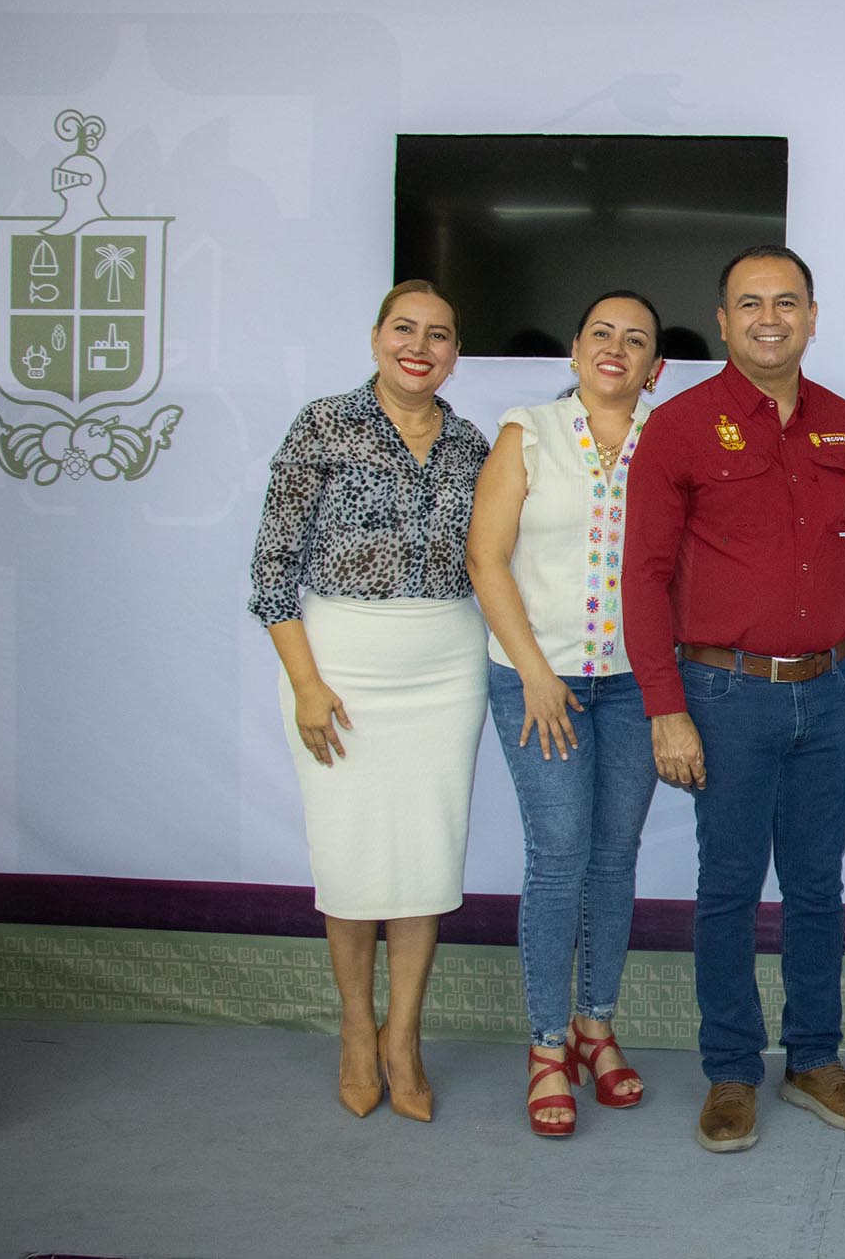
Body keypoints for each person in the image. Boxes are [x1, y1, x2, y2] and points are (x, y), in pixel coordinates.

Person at [622, 245, 845, 1153]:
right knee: (729, 888)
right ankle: (732, 1071)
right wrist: (665, 706)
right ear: (724, 321)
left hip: (831, 695)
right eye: (750, 304)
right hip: (724, 694)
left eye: (786, 302)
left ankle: (814, 1060)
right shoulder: (679, 426)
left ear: (812, 316)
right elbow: (643, 575)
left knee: (817, 888)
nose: (769, 319)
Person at [248, 279, 490, 1123]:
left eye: (439, 334)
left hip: (446, 670)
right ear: (377, 337)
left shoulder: (473, 445)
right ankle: (357, 1028)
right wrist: (307, 684)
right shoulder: (322, 424)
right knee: (350, 860)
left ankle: (404, 1038)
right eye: (404, 329)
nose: (420, 346)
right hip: (340, 666)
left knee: (424, 860)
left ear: (455, 353)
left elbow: (496, 562)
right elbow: (271, 569)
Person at [466, 291, 665, 1137]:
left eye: (635, 340)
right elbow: (486, 558)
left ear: (655, 367)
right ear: (576, 350)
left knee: (614, 859)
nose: (616, 348)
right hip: (536, 680)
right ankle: (547, 1044)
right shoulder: (528, 431)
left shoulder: (671, 438)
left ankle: (595, 1026)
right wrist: (537, 674)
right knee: (558, 858)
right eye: (601, 334)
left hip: (634, 685)